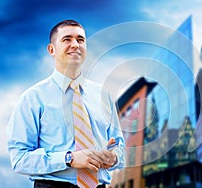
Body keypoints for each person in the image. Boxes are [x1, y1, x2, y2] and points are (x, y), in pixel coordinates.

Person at [7, 20, 125, 188]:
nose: (75, 44)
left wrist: (114, 157)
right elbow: (19, 159)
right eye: (67, 39)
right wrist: (69, 159)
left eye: (80, 40)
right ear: (51, 49)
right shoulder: (33, 98)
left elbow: (120, 146)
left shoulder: (103, 96)